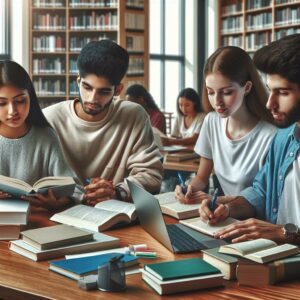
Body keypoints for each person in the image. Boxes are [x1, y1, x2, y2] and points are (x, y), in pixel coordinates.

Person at [199, 34, 300, 245]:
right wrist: (228, 208)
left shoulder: (272, 133)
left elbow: (282, 231)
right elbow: (260, 192)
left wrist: (284, 233)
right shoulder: (284, 137)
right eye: (271, 90)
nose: (270, 103)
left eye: (282, 92)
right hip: (275, 255)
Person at [43, 40, 163, 206]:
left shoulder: (134, 116)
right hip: (60, 211)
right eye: (87, 87)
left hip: (115, 215)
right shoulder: (49, 118)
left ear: (118, 90)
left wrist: (118, 192)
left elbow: (151, 174)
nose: (93, 99)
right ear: (78, 82)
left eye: (104, 91)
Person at [176, 46, 277, 204]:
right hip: (225, 216)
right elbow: (202, 178)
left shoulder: (270, 135)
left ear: (247, 88)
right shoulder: (211, 121)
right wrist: (188, 188)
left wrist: (218, 201)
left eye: (227, 92)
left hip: (257, 222)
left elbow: (267, 199)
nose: (217, 102)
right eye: (210, 92)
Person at [0, 60, 76, 211]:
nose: (12, 111)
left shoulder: (46, 136)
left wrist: (60, 202)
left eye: (20, 101)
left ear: (31, 98)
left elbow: (72, 187)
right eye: (1, 103)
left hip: (38, 220)